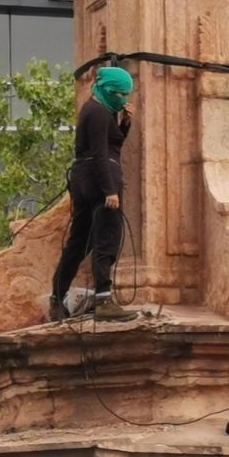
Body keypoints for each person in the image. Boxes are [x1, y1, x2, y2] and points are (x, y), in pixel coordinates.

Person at [49, 66, 139, 322]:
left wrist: (125, 123)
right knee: (107, 236)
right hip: (99, 178)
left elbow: (111, 143)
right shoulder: (99, 112)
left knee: (81, 241)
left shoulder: (95, 109)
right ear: (109, 90)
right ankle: (103, 299)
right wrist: (109, 190)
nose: (123, 99)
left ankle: (57, 297)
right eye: (121, 94)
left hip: (82, 178)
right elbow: (101, 153)